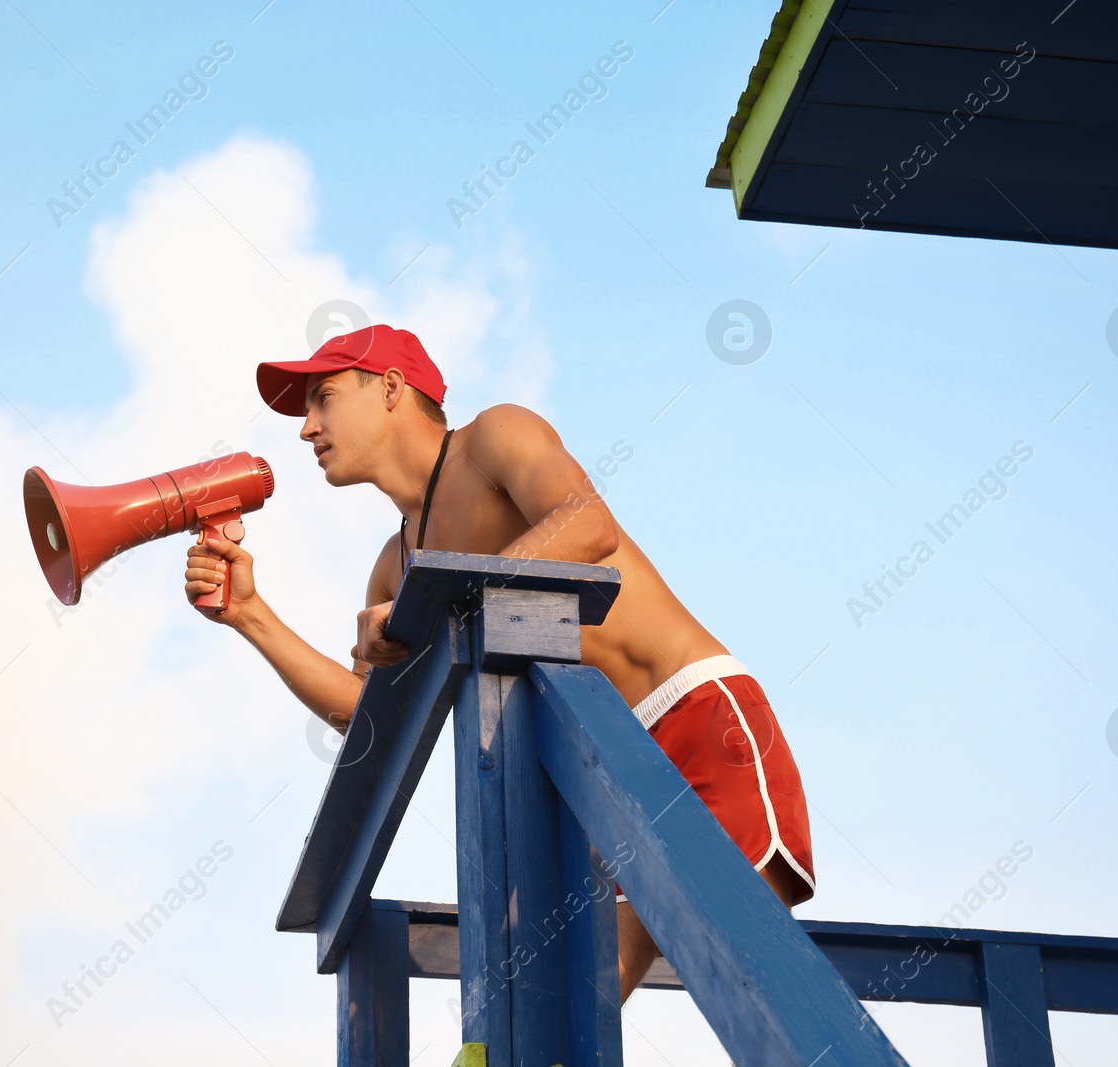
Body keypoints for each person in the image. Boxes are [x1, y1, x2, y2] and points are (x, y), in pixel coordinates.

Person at [183, 324, 815, 1003]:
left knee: (757, 984)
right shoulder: (394, 568)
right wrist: (251, 615)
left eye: (323, 398)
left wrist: (433, 608)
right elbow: (366, 721)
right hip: (591, 777)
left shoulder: (494, 438)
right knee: (548, 1002)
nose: (306, 428)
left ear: (392, 388)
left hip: (690, 715)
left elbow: (588, 527)